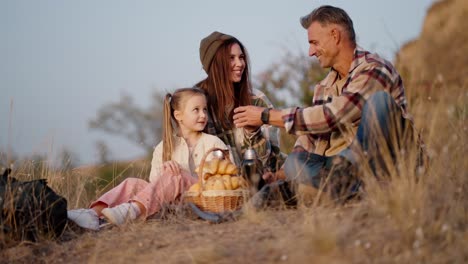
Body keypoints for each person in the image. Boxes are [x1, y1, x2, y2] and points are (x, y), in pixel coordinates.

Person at [233, 5, 424, 202]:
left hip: (389, 162)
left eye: (314, 43)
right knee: (294, 163)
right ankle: (350, 187)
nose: (310, 51)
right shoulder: (324, 88)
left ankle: (339, 183)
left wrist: (266, 116)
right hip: (340, 169)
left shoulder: (375, 69)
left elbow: (335, 115)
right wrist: (278, 176)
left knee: (380, 102)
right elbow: (310, 138)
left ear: (335, 35)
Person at [68, 88, 233, 230]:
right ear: (179, 115)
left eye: (204, 110)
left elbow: (224, 181)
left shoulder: (213, 143)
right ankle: (92, 213)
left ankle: (132, 210)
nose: (203, 115)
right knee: (132, 183)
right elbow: (153, 185)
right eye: (196, 110)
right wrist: (165, 173)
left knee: (177, 176)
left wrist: (179, 176)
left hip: (202, 197)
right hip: (171, 204)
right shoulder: (164, 147)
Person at [195, 31, 286, 191]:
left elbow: (270, 162)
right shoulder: (196, 102)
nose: (239, 64)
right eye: (231, 58)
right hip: (209, 185)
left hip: (255, 184)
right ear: (215, 64)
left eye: (241, 57)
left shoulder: (257, 100)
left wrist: (253, 134)